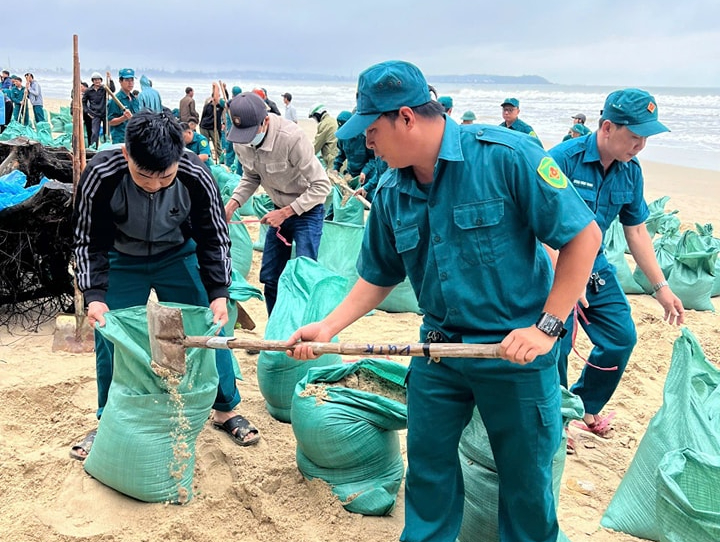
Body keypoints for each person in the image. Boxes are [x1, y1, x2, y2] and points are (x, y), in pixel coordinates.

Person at [286, 60, 601, 542]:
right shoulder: (392, 190)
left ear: (406, 117)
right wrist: (329, 327)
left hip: (514, 353)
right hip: (439, 353)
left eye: (372, 131)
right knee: (429, 475)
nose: (366, 143)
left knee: (526, 486)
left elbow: (584, 236)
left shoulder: (507, 157)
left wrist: (548, 327)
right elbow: (379, 275)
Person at [70, 109, 260, 460]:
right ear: (126, 154)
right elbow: (88, 241)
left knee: (212, 325)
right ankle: (108, 416)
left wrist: (218, 293)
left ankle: (225, 409)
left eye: (165, 177)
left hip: (177, 253)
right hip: (121, 257)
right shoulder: (101, 173)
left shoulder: (195, 173)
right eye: (144, 177)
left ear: (179, 157)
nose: (155, 185)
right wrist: (94, 296)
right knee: (109, 334)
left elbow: (214, 236)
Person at [549, 88, 684, 447]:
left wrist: (661, 288)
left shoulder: (629, 172)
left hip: (593, 265)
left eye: (646, 138)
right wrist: (566, 277)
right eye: (635, 136)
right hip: (549, 261)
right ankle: (558, 419)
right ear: (607, 127)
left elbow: (637, 231)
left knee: (621, 338)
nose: (640, 145)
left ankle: (586, 405)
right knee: (556, 343)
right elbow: (533, 227)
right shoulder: (562, 159)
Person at [223, 92, 331, 316]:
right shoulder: (241, 142)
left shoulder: (291, 138)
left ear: (265, 121)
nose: (246, 139)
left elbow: (322, 186)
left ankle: (304, 330)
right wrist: (232, 205)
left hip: (307, 211)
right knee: (270, 277)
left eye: (250, 132)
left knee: (304, 275)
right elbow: (251, 177)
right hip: (278, 210)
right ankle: (276, 330)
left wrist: (287, 212)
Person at [332, 110, 375, 183]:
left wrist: (365, 171)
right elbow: (341, 154)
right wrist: (336, 168)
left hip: (366, 176)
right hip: (350, 174)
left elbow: (373, 158)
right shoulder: (342, 138)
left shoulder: (364, 138)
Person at [107, 68, 140, 144]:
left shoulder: (135, 100)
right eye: (127, 80)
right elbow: (110, 121)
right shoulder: (115, 100)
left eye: (132, 80)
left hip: (134, 138)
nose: (130, 83)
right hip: (121, 140)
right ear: (120, 81)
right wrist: (123, 118)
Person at [83, 72, 114, 148]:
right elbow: (83, 102)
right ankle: (94, 148)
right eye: (95, 80)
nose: (97, 82)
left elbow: (112, 90)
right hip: (94, 114)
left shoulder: (104, 89)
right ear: (92, 81)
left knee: (106, 132)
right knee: (94, 132)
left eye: (99, 80)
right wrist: (87, 112)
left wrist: (110, 79)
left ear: (101, 80)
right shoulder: (88, 91)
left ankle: (105, 147)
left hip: (105, 113)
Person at [200, 83, 225, 161]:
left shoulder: (219, 106)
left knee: (217, 144)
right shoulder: (208, 105)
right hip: (204, 126)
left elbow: (224, 99)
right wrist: (215, 88)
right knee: (205, 143)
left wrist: (218, 87)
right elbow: (203, 115)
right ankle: (208, 159)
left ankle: (221, 159)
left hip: (213, 128)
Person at [308, 103, 338, 168]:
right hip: (338, 155)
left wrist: (304, 155)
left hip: (332, 159)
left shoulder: (324, 124)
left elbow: (316, 145)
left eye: (314, 117)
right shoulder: (332, 120)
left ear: (317, 114)